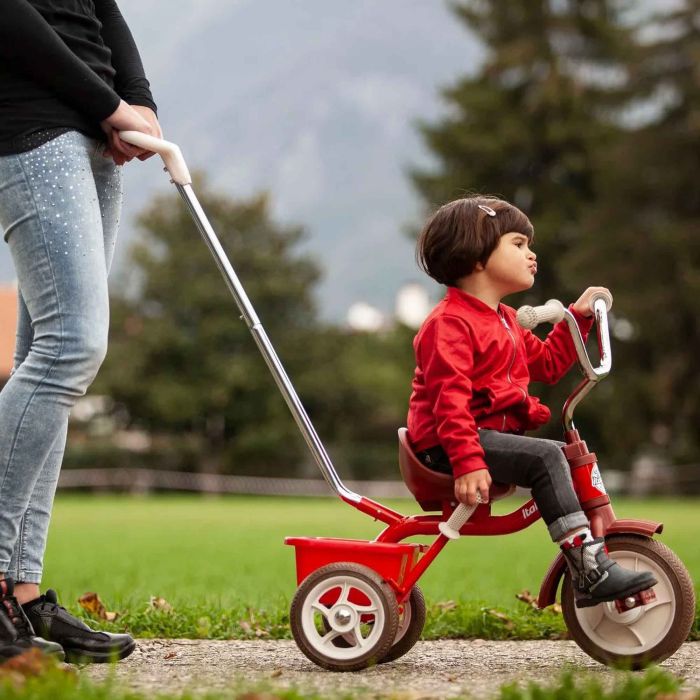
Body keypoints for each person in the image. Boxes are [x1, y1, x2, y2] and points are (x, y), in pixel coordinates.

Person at [0, 0, 162, 663]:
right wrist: (110, 105)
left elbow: (101, 11)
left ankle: (23, 590)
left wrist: (138, 104)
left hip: (94, 135)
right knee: (70, 349)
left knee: (50, 360)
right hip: (34, 127)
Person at [407, 196, 656, 608]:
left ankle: (590, 559)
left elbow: (550, 364)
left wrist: (578, 317)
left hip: (480, 438)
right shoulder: (449, 324)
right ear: (476, 257)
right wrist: (467, 462)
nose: (531, 254)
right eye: (519, 244)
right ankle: (590, 570)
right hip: (446, 445)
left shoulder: (504, 320)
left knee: (561, 455)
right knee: (546, 458)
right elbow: (448, 401)